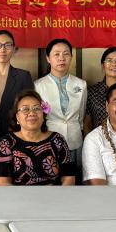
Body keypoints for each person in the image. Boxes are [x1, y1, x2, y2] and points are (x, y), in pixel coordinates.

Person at [0, 90, 76, 186]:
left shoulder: (58, 140)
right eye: (25, 109)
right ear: (17, 117)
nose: (32, 113)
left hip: (55, 194)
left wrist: (59, 195)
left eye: (36, 108)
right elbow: (2, 182)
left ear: (43, 116)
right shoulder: (6, 143)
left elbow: (69, 178)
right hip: (17, 195)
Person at [34, 38, 87, 179]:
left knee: (75, 179)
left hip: (75, 140)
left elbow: (81, 115)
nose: (61, 58)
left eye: (66, 54)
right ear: (48, 58)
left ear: (71, 57)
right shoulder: (38, 85)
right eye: (56, 54)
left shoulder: (81, 84)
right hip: (48, 140)